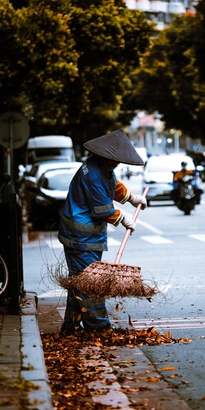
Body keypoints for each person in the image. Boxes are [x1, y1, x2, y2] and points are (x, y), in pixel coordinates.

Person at [58, 129, 147, 332]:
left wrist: (132, 198)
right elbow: (102, 209)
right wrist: (123, 218)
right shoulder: (94, 174)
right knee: (91, 285)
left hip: (85, 236)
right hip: (81, 238)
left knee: (79, 283)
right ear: (106, 156)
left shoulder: (99, 167)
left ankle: (70, 326)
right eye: (115, 160)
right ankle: (99, 327)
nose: (117, 164)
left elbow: (114, 185)